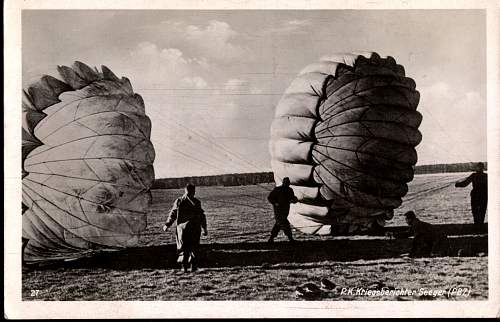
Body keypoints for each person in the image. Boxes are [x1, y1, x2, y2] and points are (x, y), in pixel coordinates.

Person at [163, 184, 207, 272]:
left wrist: (167, 224)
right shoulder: (196, 202)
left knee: (183, 247)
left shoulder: (179, 201)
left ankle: (184, 267)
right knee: (194, 247)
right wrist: (204, 228)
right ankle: (193, 267)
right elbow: (202, 216)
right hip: (194, 229)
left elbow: (173, 213)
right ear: (193, 191)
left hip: (182, 229)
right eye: (193, 191)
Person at [267, 177, 298, 243]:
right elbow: (270, 198)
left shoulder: (290, 190)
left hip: (285, 210)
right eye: (286, 182)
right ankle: (290, 238)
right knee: (284, 223)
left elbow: (292, 198)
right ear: (283, 182)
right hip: (278, 210)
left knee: (279, 224)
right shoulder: (277, 189)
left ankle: (271, 239)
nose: (287, 184)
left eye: (288, 183)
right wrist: (275, 203)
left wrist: (295, 200)